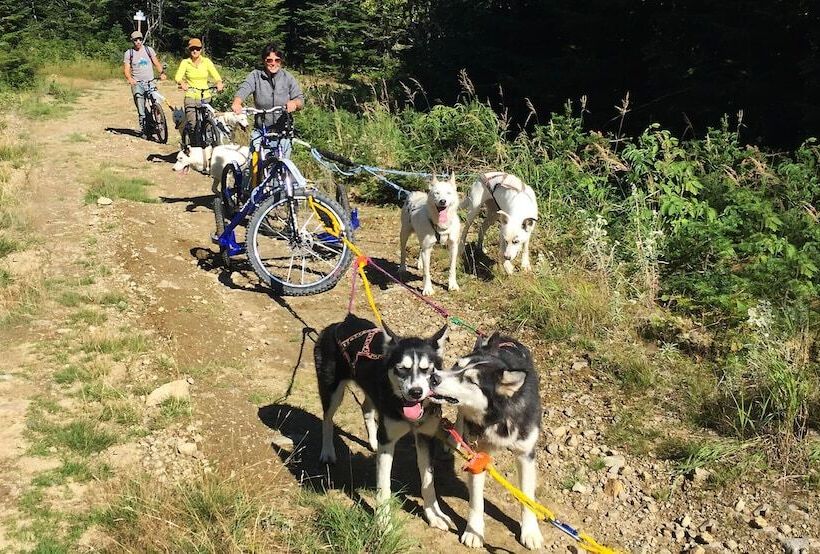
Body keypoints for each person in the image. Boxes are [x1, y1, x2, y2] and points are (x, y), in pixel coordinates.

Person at [231, 43, 304, 159]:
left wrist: (294, 103)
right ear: (264, 61)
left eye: (277, 60)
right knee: (256, 161)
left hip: (283, 131)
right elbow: (245, 88)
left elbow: (300, 99)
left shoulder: (287, 77)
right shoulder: (256, 76)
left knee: (283, 164)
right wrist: (237, 102)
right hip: (262, 130)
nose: (273, 63)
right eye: (269, 60)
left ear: (281, 61)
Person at [174, 38, 224, 146]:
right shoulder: (185, 63)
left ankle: (209, 144)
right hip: (191, 95)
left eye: (197, 48)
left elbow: (216, 75)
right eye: (192, 49)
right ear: (189, 50)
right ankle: (192, 145)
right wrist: (182, 82)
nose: (195, 51)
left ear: (201, 50)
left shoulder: (206, 62)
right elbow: (178, 76)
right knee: (193, 124)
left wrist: (219, 82)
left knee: (208, 123)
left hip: (205, 96)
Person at [123, 30, 166, 136]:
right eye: (135, 40)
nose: (138, 41)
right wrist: (130, 78)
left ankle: (159, 123)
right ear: (132, 41)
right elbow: (126, 69)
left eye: (140, 39)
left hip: (150, 81)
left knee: (156, 102)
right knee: (141, 108)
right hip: (137, 83)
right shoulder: (129, 53)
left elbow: (156, 63)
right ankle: (145, 130)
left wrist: (162, 73)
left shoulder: (148, 50)